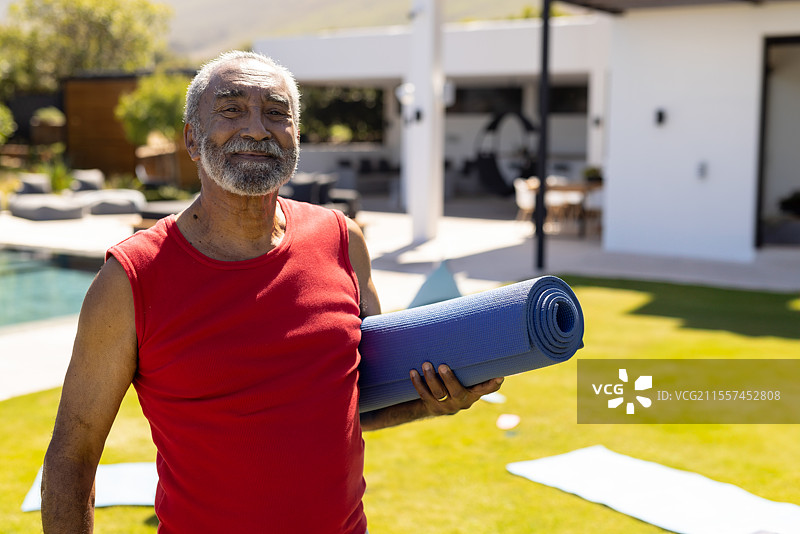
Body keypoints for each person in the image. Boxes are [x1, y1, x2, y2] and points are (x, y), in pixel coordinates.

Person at [41, 50, 503, 533]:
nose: (258, 129)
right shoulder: (131, 279)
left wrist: (430, 401)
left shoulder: (343, 241)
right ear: (192, 139)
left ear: (296, 137)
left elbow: (355, 400)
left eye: (276, 112)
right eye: (231, 109)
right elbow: (71, 457)